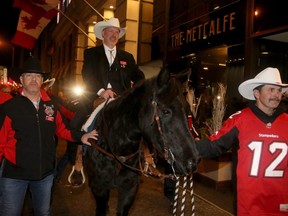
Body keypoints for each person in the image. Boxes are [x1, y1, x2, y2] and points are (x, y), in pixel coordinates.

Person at [0, 56, 98, 216]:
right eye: (29, 75)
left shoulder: (51, 106)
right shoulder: (9, 108)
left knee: (43, 213)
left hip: (44, 175)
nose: (34, 79)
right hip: (15, 176)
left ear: (42, 81)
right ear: (21, 79)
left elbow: (62, 129)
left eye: (38, 76)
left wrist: (82, 137)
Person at [195, 67, 288, 216]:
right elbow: (215, 145)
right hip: (248, 203)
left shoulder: (287, 121)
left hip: (281, 204)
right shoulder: (240, 119)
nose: (276, 95)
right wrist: (186, 147)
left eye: (278, 90)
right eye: (271, 89)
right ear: (256, 93)